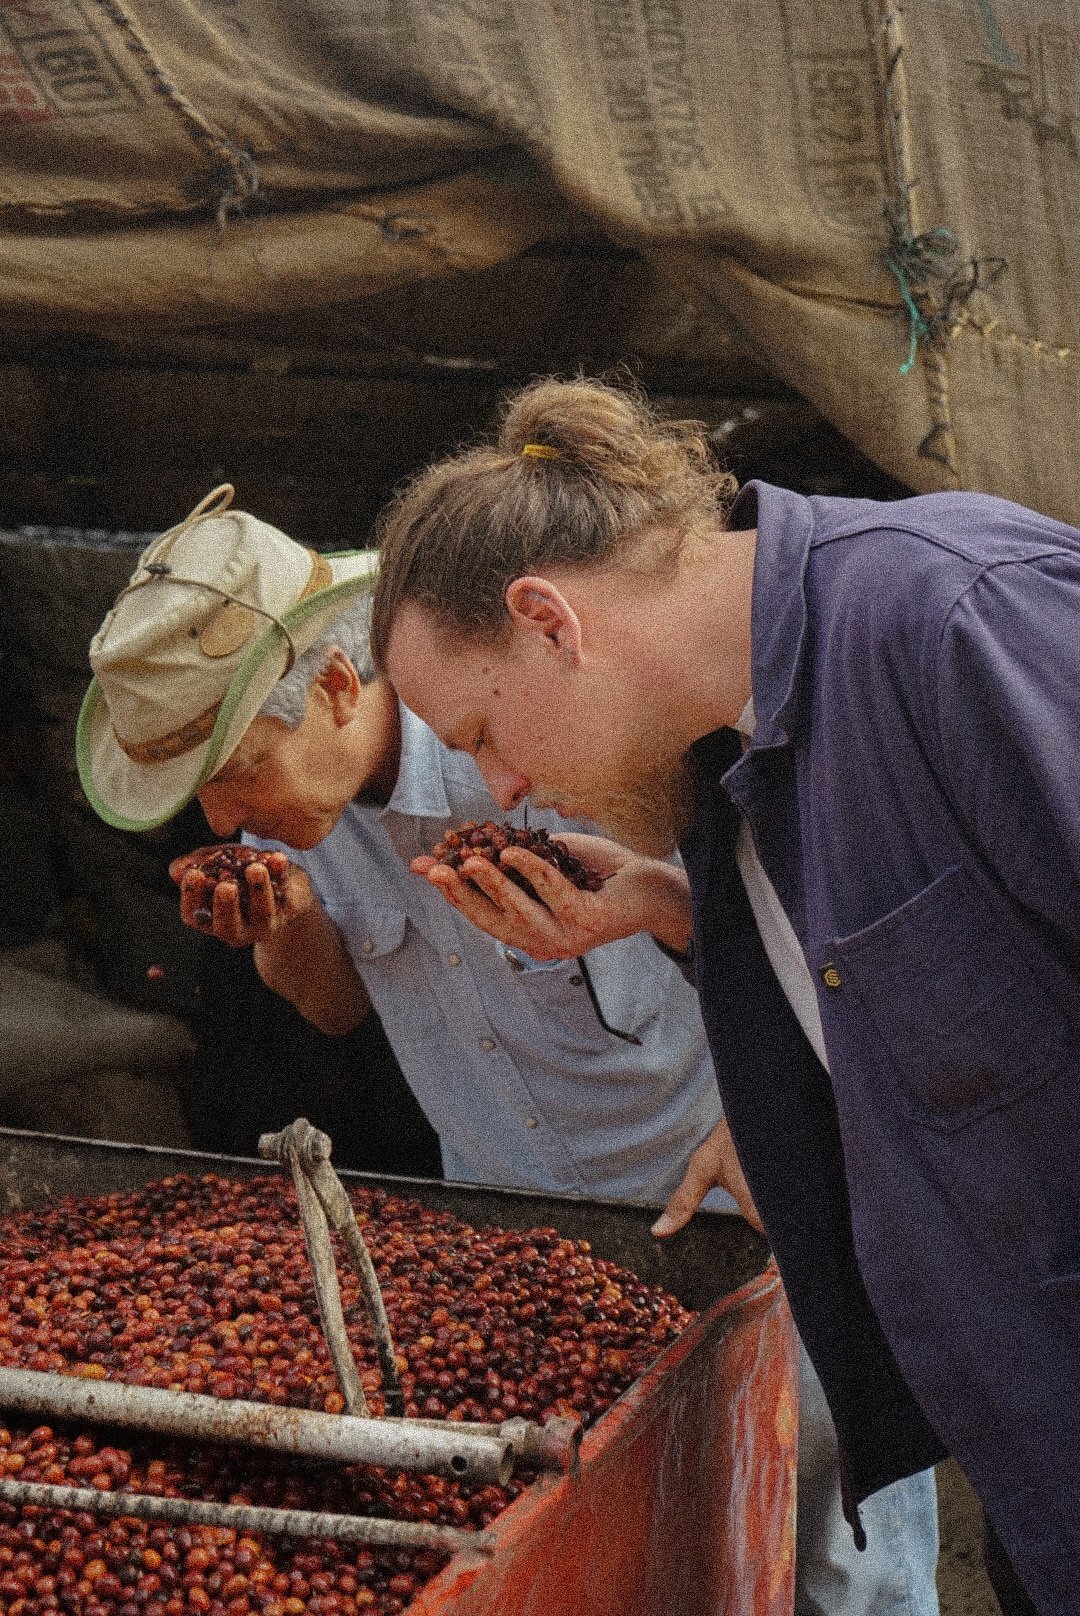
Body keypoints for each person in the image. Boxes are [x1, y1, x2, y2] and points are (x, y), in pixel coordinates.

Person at [78, 481, 943, 1616]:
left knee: (829, 1562)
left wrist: (758, 1065)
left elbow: (804, 938)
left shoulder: (549, 733)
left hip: (745, 1234)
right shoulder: (315, 820)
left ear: (336, 686)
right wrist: (283, 928)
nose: (224, 820)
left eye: (233, 775)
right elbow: (342, 1008)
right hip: (526, 1261)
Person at [367, 374, 1077, 1616]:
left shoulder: (956, 614)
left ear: (549, 619)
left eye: (480, 729)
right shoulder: (723, 767)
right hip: (1032, 1433)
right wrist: (681, 912)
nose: (503, 784)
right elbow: (923, 974)